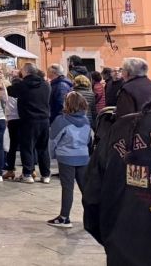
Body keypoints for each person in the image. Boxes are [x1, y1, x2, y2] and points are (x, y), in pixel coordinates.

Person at [83, 81, 151, 265]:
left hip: (126, 248)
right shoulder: (124, 128)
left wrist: (114, 239)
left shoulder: (121, 128)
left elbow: (92, 196)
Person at [45, 91, 92, 229]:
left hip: (66, 157)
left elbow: (52, 141)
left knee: (67, 188)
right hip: (83, 157)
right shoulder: (86, 120)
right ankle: (92, 218)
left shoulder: (61, 120)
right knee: (86, 189)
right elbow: (89, 139)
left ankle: (64, 218)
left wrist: (53, 155)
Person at [8, 63, 52, 183]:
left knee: (27, 147)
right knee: (43, 148)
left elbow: (10, 91)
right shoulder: (46, 85)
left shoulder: (22, 85)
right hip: (44, 120)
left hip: (28, 120)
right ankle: (46, 175)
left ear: (25, 72)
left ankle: (27, 174)